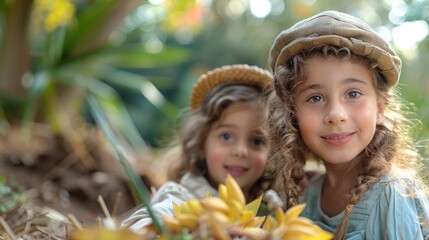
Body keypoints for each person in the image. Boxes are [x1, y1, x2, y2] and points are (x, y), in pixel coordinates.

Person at [266, 10, 429, 240]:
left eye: (353, 93)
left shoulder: (393, 195)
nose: (335, 115)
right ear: (293, 114)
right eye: (315, 98)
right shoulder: (308, 196)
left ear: (380, 109)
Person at [121, 64, 284, 232]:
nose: (241, 151)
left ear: (272, 152)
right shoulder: (183, 199)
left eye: (257, 141)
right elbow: (145, 223)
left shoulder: (270, 210)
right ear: (200, 144)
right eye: (226, 136)